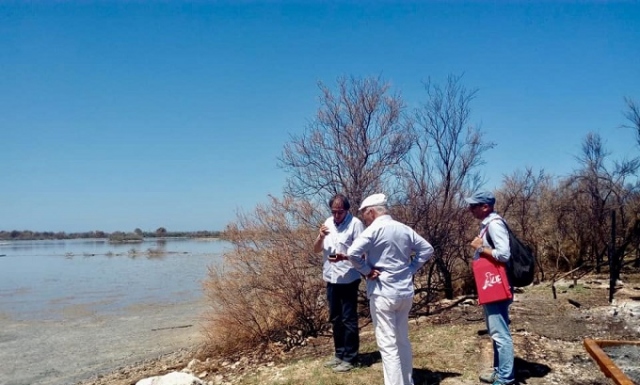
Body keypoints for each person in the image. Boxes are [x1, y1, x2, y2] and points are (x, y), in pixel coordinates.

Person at [341, 193, 434, 385]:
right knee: (402, 340)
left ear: (372, 212)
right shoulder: (403, 229)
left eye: (364, 214)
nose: (364, 218)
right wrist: (411, 268)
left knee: (387, 344)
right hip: (404, 291)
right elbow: (427, 249)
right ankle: (407, 382)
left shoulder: (373, 230)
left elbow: (352, 253)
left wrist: (366, 271)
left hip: (383, 292)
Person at [466, 191, 515, 385]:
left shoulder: (494, 224)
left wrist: (480, 248)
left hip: (495, 285)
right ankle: (499, 372)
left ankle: (505, 378)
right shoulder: (489, 224)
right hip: (490, 284)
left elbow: (504, 255)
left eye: (473, 206)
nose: (470, 209)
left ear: (485, 206)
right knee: (496, 331)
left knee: (500, 333)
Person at [313, 193, 364, 372]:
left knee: (349, 318)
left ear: (347, 210)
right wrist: (320, 237)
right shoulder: (327, 223)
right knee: (335, 318)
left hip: (348, 277)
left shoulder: (356, 225)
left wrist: (343, 257)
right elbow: (316, 249)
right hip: (331, 278)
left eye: (340, 212)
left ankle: (351, 357)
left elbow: (362, 253)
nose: (336, 215)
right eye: (334, 211)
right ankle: (339, 354)